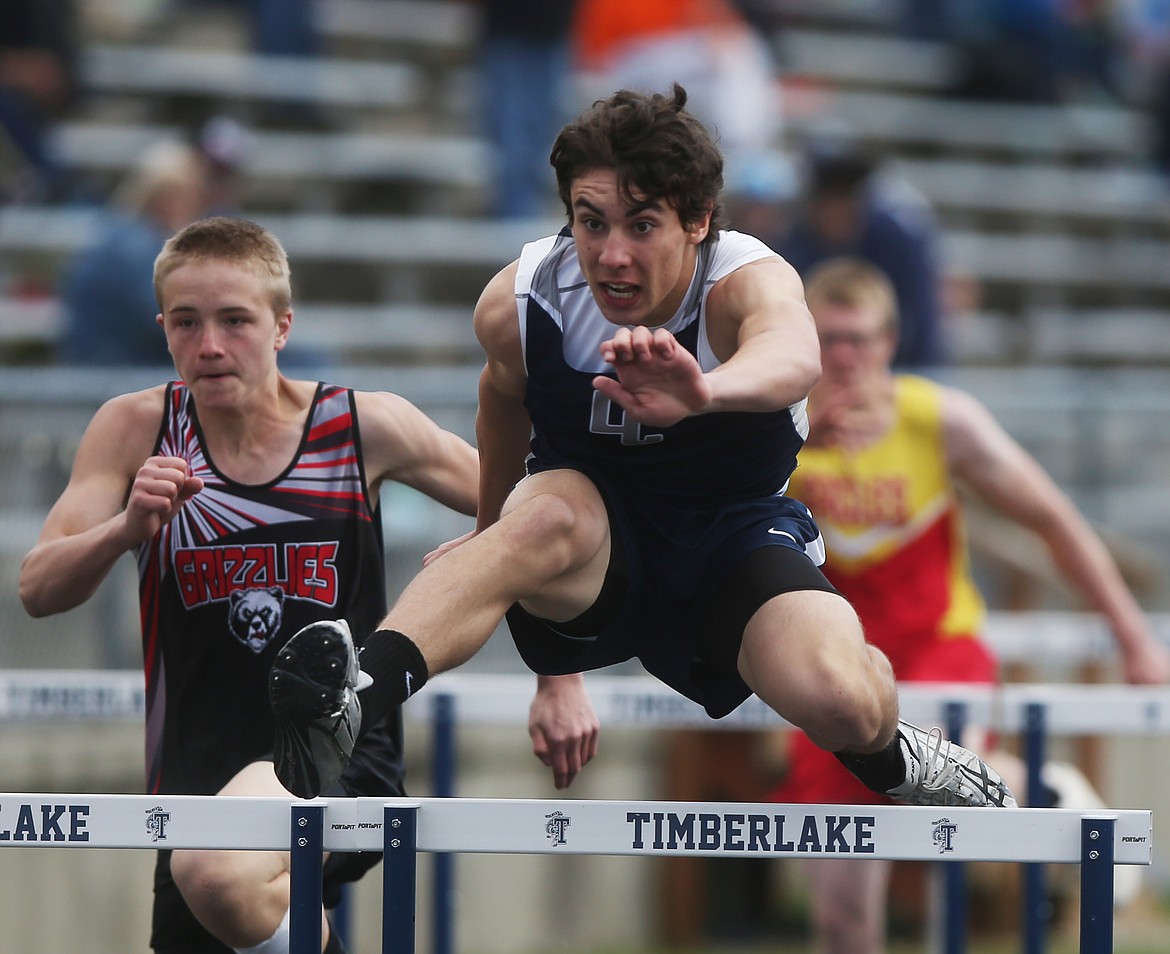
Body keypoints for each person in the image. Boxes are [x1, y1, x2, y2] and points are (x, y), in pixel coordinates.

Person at [264, 84, 1015, 819]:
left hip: (730, 540)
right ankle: (354, 697)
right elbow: (502, 403)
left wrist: (706, 392)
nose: (612, 256)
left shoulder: (743, 280)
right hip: (592, 541)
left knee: (839, 699)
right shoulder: (521, 302)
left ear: (698, 222)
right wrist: (492, 538)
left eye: (641, 226)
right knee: (541, 516)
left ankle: (897, 756)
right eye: (591, 223)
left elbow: (795, 353)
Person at [18, 216, 590, 954]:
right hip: (197, 776)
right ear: (161, 327)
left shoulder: (362, 426)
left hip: (341, 757)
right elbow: (38, 587)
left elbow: (540, 523)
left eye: (235, 321)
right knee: (219, 876)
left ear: (282, 326)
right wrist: (125, 528)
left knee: (217, 869)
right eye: (187, 323)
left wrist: (560, 673)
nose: (211, 346)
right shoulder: (137, 432)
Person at [767, 257, 1170, 954]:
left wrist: (1133, 639)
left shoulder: (939, 419)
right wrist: (791, 444)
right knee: (839, 916)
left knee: (907, 746)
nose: (842, 357)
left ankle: (1040, 791)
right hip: (836, 670)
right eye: (826, 339)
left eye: (857, 339)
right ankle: (1032, 786)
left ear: (890, 342)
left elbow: (1054, 519)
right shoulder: (774, 431)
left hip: (936, 650)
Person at [768, 143, 946, 370]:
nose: (837, 213)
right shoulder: (792, 243)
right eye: (830, 201)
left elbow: (922, 318)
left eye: (845, 200)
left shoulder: (897, 240)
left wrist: (915, 376)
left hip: (891, 370)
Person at [58, 140, 212, 367]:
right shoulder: (132, 247)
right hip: (113, 373)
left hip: (119, 364)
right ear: (165, 197)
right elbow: (170, 321)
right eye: (190, 195)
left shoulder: (124, 235)